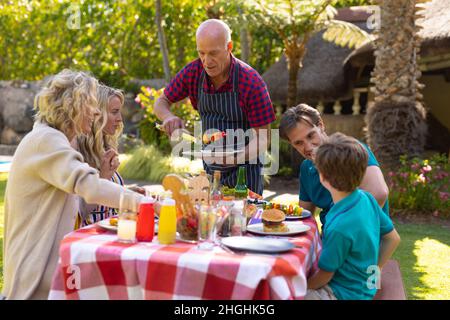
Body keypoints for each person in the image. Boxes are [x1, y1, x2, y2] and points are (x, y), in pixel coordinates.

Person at [2, 69, 143, 300]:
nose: (97, 112)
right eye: (91, 104)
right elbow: (89, 185)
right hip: (33, 282)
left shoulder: (53, 139)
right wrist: (148, 204)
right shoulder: (46, 140)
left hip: (49, 272)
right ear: (74, 105)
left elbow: (79, 203)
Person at [154, 19, 276, 195]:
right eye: (201, 53)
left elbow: (264, 139)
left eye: (213, 53)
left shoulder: (251, 82)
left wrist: (234, 158)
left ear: (229, 47)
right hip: (210, 172)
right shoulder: (193, 73)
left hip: (245, 174)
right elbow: (161, 101)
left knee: (241, 221)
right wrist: (168, 117)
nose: (206, 61)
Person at [306, 133, 400, 300]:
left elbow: (324, 276)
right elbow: (393, 239)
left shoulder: (339, 227)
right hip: (363, 291)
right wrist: (372, 274)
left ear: (323, 177)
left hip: (339, 293)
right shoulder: (367, 199)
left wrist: (302, 286)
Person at [279, 104, 389, 227]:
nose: (308, 147)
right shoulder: (306, 167)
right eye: (299, 143)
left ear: (321, 125)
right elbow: (305, 215)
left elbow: (379, 194)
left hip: (359, 238)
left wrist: (345, 229)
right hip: (332, 237)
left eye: (311, 136)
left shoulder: (351, 151)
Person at [74, 84, 144, 227]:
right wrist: (104, 177)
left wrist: (126, 192)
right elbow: (81, 211)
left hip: (111, 235)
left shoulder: (105, 146)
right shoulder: (79, 151)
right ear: (97, 114)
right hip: (88, 239)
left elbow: (105, 201)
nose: (120, 119)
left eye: (120, 112)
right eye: (114, 112)